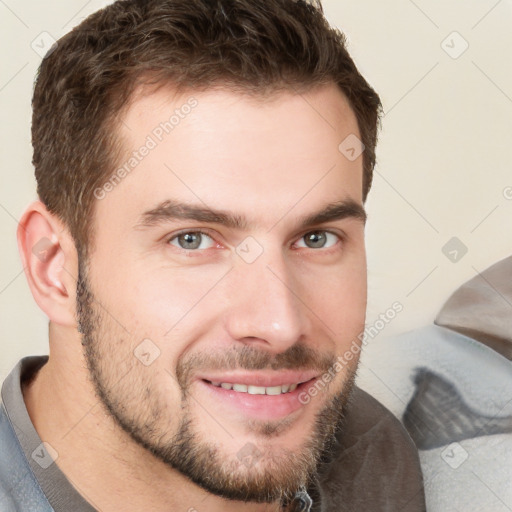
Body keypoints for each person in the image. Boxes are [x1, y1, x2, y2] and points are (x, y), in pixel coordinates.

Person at [0, 0, 426, 510]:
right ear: (55, 269)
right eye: (193, 240)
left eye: (317, 238)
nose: (279, 325)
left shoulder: (372, 454)